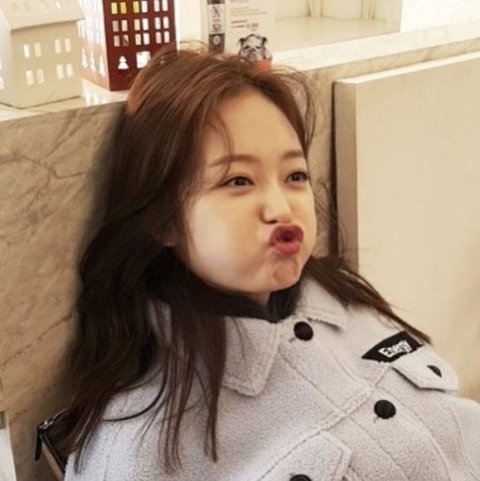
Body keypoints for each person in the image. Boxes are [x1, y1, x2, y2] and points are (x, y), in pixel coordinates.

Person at [62, 47, 480, 480]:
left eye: (295, 175)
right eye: (238, 181)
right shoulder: (137, 445)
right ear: (162, 218)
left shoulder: (345, 299)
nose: (282, 208)